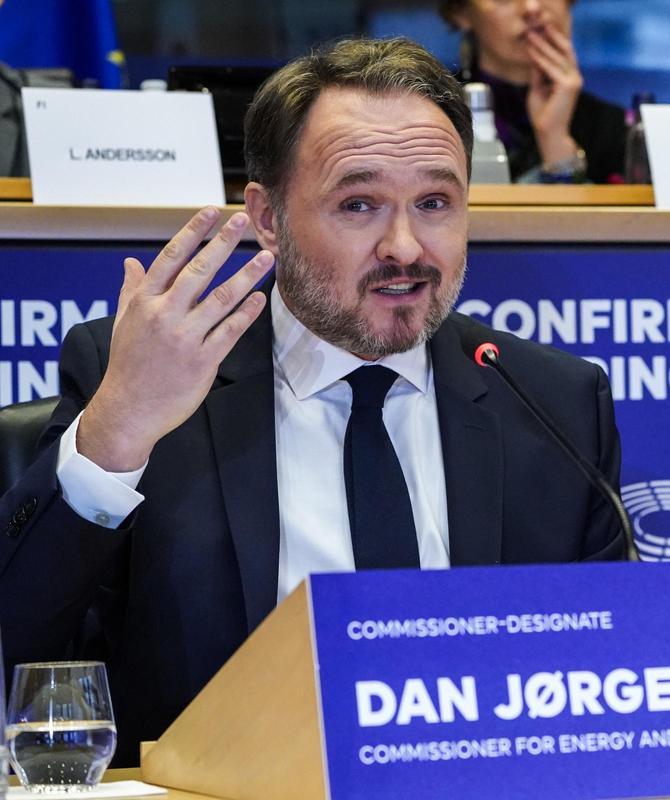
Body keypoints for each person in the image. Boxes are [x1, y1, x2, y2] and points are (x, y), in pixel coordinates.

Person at [0, 37, 625, 765]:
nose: (404, 246)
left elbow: (610, 678)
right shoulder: (146, 378)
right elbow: (20, 639)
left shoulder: (553, 403)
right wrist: (118, 432)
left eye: (434, 202)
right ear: (268, 218)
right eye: (358, 204)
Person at [438, 0, 626, 184]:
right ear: (461, 12)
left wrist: (555, 140)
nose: (532, 7)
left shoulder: (616, 128)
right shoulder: (435, 111)